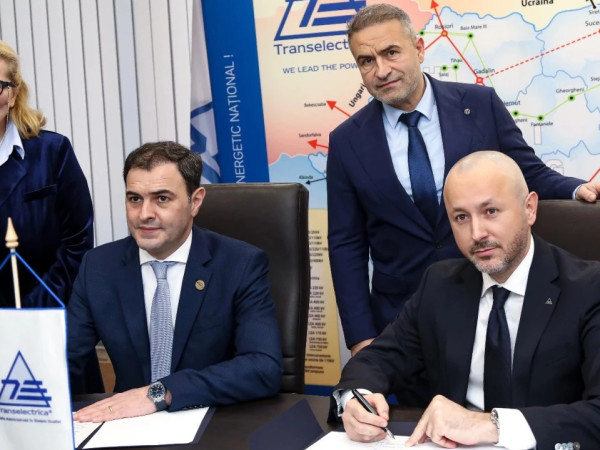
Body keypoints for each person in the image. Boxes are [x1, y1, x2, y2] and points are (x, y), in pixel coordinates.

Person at [327, 3, 600, 356]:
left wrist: (578, 189)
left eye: (391, 52)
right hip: (402, 319)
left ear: (419, 49)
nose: (381, 70)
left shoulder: (479, 104)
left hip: (490, 299)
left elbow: (527, 172)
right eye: (366, 61)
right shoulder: (347, 141)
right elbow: (346, 244)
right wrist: (361, 337)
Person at [330, 151, 600, 449]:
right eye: (461, 217)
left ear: (529, 208)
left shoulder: (589, 288)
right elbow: (377, 359)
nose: (477, 233)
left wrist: (491, 425)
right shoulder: (440, 284)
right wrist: (355, 399)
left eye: (491, 211)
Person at [69, 142, 283, 422]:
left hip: (213, 422)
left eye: (162, 199)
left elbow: (263, 368)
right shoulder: (99, 267)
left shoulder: (240, 264)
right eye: (135, 199)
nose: (144, 214)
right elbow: (64, 357)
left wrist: (160, 393)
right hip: (127, 425)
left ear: (196, 201)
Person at [0, 40, 93, 308]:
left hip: (43, 317)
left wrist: (27, 316)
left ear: (13, 94)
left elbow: (77, 245)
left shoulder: (52, 152)